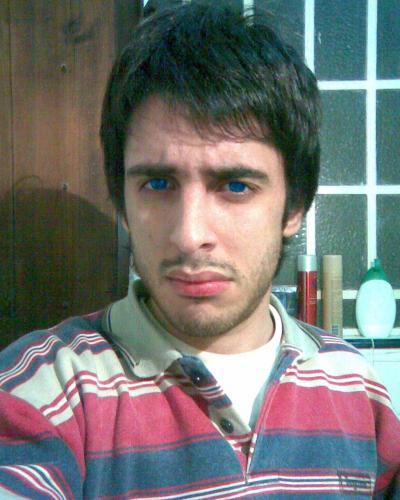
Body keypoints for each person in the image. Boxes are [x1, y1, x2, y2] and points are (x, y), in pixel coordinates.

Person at [0, 2, 399, 498]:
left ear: (294, 206)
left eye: (235, 186)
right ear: (122, 200)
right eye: (158, 183)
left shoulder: (358, 388)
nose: (189, 236)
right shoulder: (43, 392)